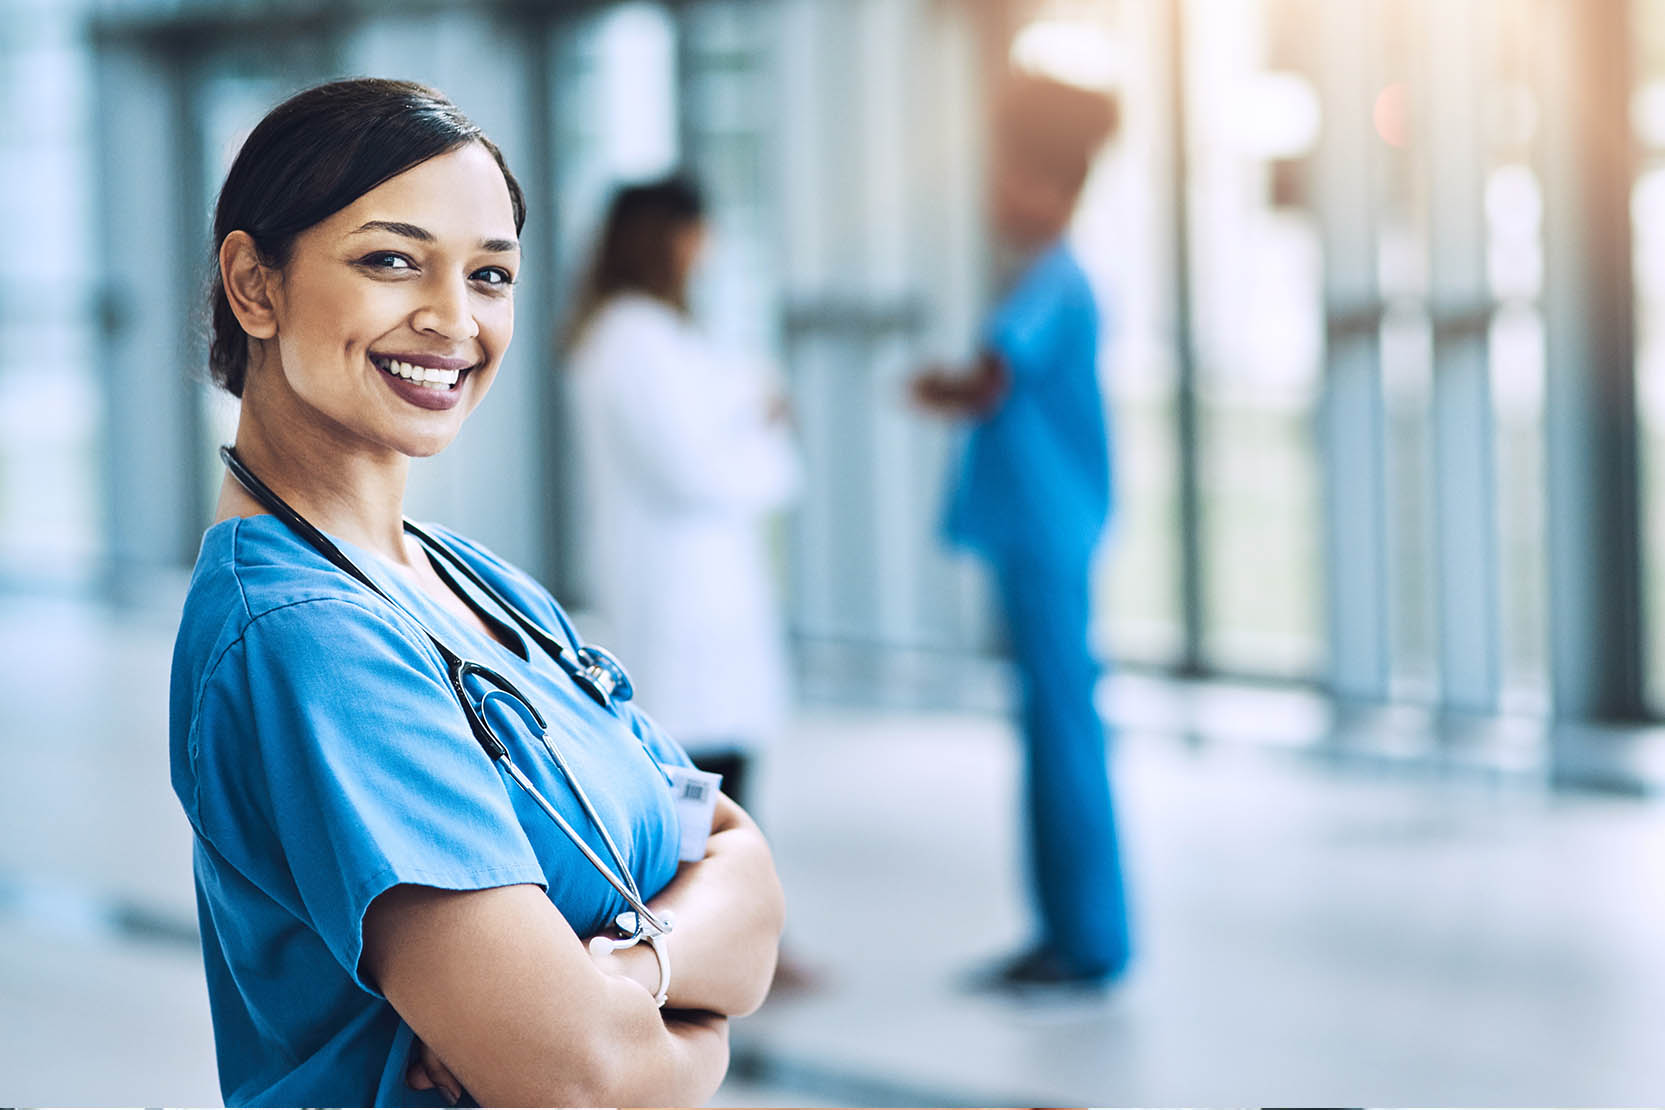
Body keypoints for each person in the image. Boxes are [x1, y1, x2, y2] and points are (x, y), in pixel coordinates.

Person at [168, 79, 783, 1106]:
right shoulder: (307, 638)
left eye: (491, 275)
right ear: (253, 285)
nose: (454, 321)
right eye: (391, 260)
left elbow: (745, 868)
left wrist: (625, 980)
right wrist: (694, 1019)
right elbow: (581, 1080)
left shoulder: (469, 577)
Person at [911, 69, 1128, 992]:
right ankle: (1071, 933)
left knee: (1062, 732)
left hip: (1047, 533)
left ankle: (1084, 941)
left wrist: (935, 386)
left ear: (1051, 186)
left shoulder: (1054, 278)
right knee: (1053, 727)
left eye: (1010, 176)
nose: (996, 193)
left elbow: (992, 378)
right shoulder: (1045, 276)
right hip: (1045, 530)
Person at [563, 176, 800, 816]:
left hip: (699, 599)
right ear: (668, 241)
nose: (708, 248)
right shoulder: (631, 341)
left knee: (721, 788)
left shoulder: (658, 337)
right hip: (678, 605)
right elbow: (696, 472)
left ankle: (744, 913)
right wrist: (767, 438)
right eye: (698, 233)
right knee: (699, 797)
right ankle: (729, 916)